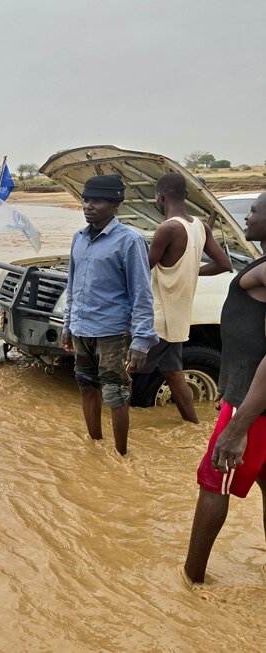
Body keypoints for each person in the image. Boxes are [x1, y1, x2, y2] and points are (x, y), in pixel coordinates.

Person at [183, 192, 266, 586]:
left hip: (254, 407)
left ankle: (191, 582)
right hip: (248, 395)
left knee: (214, 481)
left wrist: (238, 425)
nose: (247, 217)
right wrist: (230, 380)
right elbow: (249, 337)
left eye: (253, 210)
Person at [60, 174, 158, 455]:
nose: (88, 206)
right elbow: (72, 284)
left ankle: (121, 455)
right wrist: (67, 325)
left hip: (112, 333)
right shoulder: (78, 239)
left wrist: (141, 341)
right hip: (81, 330)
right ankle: (94, 447)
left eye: (97, 201)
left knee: (116, 394)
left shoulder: (129, 241)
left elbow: (141, 294)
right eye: (86, 200)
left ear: (115, 204)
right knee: (85, 386)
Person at [142, 173, 232, 423]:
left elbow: (140, 271)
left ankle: (113, 438)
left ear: (160, 197)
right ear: (185, 195)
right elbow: (224, 263)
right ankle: (193, 424)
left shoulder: (167, 228)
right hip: (180, 318)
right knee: (173, 373)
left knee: (125, 373)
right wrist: (191, 270)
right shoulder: (200, 226)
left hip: (158, 318)